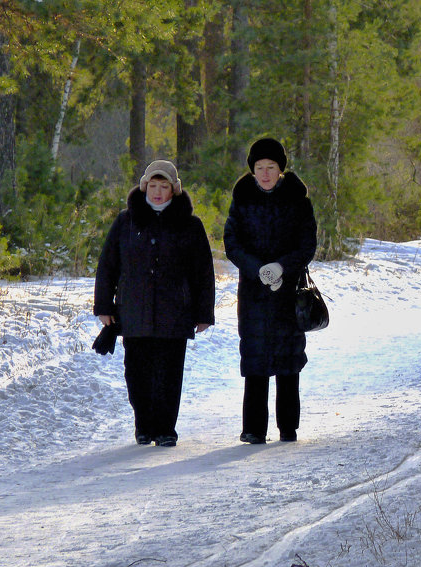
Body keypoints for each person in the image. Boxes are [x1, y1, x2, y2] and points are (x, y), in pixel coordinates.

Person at [94, 160, 215, 447]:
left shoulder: (190, 225)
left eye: (164, 187)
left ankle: (165, 429)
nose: (158, 192)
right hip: (134, 312)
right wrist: (104, 306)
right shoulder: (126, 221)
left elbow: (203, 272)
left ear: (174, 190)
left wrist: (203, 313)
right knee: (136, 374)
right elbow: (108, 265)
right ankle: (144, 425)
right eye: (153, 186)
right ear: (144, 186)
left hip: (175, 313)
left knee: (168, 374)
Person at [224, 138, 317, 444]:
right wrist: (257, 270)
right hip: (253, 293)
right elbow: (231, 242)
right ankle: (253, 428)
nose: (265, 173)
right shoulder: (242, 200)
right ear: (252, 170)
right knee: (255, 358)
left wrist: (281, 267)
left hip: (289, 291)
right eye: (260, 168)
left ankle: (288, 426)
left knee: (288, 359)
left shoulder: (298, 200)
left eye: (271, 167)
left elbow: (307, 244)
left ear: (281, 170)